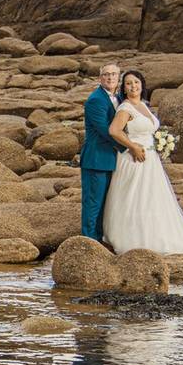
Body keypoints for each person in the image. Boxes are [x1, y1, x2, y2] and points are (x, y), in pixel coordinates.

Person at [102, 70, 183, 255]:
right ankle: (131, 238)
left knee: (152, 198)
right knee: (135, 198)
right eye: (128, 83)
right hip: (134, 159)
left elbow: (149, 130)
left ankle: (156, 235)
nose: (133, 86)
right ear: (124, 89)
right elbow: (114, 131)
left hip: (151, 160)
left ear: (142, 84)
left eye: (136, 82)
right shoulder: (125, 108)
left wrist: (160, 143)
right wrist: (133, 146)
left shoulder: (143, 105)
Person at [79, 64, 126, 243]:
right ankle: (89, 242)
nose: (110, 77)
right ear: (100, 78)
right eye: (106, 74)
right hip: (96, 158)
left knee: (105, 203)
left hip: (111, 158)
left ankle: (99, 238)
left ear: (118, 77)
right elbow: (105, 131)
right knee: (93, 203)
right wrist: (128, 148)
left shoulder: (120, 97)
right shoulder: (96, 100)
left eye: (114, 74)